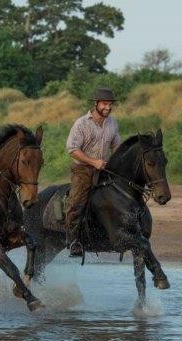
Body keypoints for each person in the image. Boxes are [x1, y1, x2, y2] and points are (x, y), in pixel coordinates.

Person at [65, 87, 122, 257]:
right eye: (105, 104)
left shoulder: (112, 123)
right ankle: (73, 240)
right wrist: (93, 162)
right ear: (96, 104)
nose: (108, 107)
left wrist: (118, 161)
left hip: (104, 169)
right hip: (82, 170)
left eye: (110, 104)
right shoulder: (81, 123)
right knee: (76, 203)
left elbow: (117, 146)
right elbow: (72, 149)